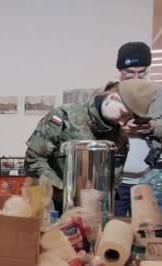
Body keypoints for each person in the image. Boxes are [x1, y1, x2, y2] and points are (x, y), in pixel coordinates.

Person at [25, 79, 158, 212]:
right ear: (112, 98)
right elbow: (34, 160)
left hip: (98, 209)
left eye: (130, 118)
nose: (124, 122)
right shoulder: (65, 117)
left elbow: (115, 176)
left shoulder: (120, 132)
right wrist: (66, 191)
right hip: (56, 205)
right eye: (123, 114)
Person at [111, 42, 160, 216]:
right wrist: (121, 128)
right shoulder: (109, 94)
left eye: (142, 72)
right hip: (116, 182)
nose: (136, 77)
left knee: (146, 232)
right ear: (120, 71)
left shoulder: (157, 94)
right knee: (113, 231)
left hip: (148, 180)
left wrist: (152, 127)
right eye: (130, 72)